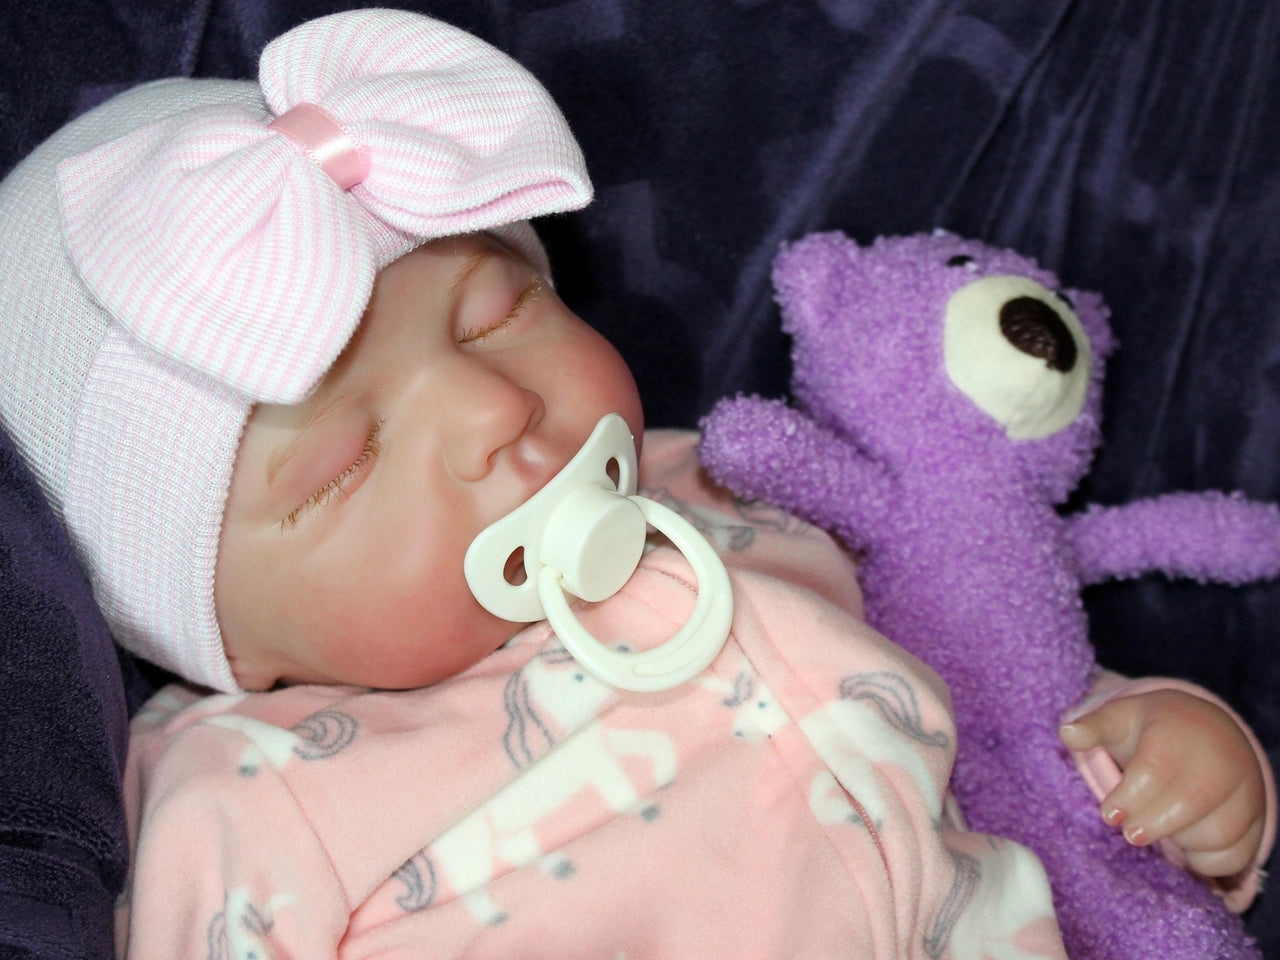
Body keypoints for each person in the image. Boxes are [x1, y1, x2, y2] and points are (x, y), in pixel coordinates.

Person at [0, 9, 1270, 958]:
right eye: (348, 461)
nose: (491, 407)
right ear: (223, 640)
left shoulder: (735, 494)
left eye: (496, 314)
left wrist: (1160, 743)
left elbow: (994, 680)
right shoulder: (236, 796)